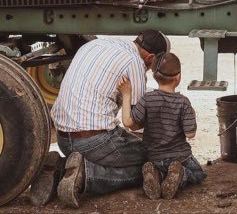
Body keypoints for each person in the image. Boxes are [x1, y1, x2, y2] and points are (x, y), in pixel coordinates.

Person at [29, 30, 170, 208]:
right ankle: (86, 175)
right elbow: (135, 123)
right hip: (95, 142)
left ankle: (60, 168)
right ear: (150, 58)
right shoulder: (135, 62)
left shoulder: (93, 45)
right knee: (153, 161)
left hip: (64, 139)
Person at [117, 52, 207, 200]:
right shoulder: (183, 102)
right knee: (198, 174)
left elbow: (128, 122)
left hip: (154, 157)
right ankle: (180, 175)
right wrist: (191, 113)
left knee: (160, 167)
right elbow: (190, 133)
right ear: (178, 77)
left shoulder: (148, 99)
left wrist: (126, 95)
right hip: (180, 157)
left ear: (154, 76)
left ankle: (156, 174)